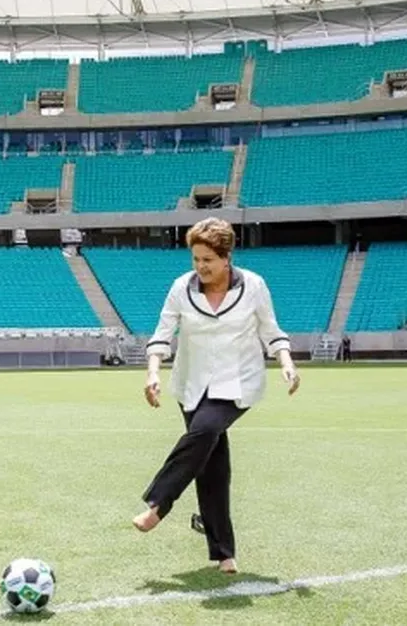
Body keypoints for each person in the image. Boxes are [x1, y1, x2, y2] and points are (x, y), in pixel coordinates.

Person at [132, 217, 301, 574]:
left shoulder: (253, 286)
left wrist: (286, 362)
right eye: (196, 259)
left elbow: (271, 331)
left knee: (206, 431)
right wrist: (152, 373)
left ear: (226, 257)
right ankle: (224, 553)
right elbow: (162, 333)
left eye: (207, 259)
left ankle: (158, 504)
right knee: (212, 467)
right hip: (191, 384)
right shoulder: (182, 288)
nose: (200, 267)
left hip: (237, 382)